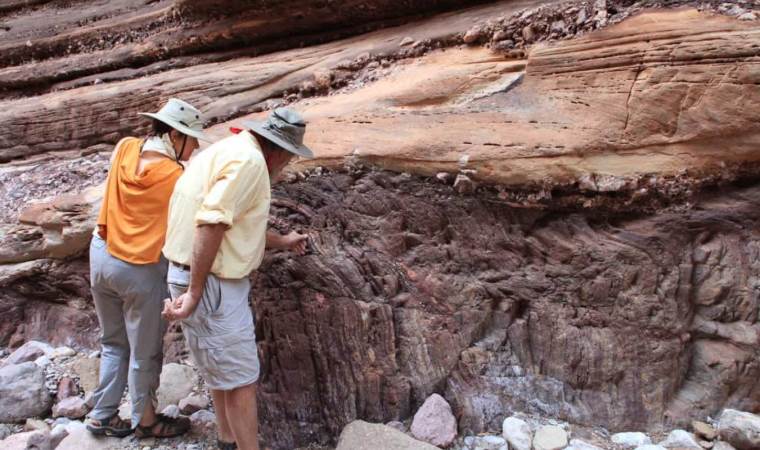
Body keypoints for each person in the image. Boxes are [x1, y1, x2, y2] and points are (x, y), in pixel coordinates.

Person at [161, 108, 314, 450]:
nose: (286, 166)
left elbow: (229, 225)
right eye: (288, 159)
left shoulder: (225, 150)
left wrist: (282, 241)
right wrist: (196, 292)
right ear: (278, 151)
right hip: (211, 284)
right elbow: (211, 222)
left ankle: (226, 441)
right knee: (242, 379)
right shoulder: (251, 163)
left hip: (192, 273)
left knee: (222, 371)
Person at [87, 98, 210, 438]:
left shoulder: (125, 148)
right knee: (144, 351)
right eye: (191, 137)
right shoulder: (177, 177)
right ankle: (146, 421)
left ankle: (102, 414)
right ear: (174, 134)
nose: (195, 145)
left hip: (100, 253)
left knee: (112, 341)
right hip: (139, 267)